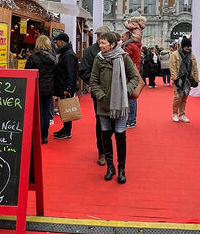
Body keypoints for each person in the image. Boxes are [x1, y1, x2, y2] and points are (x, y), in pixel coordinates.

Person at [90, 32, 139, 184]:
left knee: (120, 137)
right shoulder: (98, 59)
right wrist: (100, 95)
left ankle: (122, 169)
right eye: (100, 42)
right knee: (105, 137)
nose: (100, 45)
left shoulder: (124, 57)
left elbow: (135, 77)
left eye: (103, 42)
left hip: (119, 106)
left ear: (112, 44)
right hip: (104, 105)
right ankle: (110, 167)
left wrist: (127, 91)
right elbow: (93, 80)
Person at [79, 25, 111, 165]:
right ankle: (102, 151)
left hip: (115, 93)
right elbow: (84, 71)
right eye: (99, 36)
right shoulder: (90, 51)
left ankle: (108, 149)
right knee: (101, 122)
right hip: (98, 94)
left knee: (115, 122)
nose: (100, 39)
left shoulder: (116, 51)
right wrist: (94, 86)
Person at [25, 35, 57, 144]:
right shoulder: (53, 58)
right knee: (46, 112)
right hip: (49, 88)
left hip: (36, 87)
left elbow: (27, 73)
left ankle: (38, 135)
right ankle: (45, 136)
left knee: (38, 112)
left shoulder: (33, 58)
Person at [53, 33, 78, 140]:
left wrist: (68, 88)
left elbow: (71, 73)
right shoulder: (65, 53)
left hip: (65, 87)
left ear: (61, 41)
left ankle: (67, 130)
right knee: (64, 108)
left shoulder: (68, 55)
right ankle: (65, 128)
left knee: (66, 108)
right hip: (63, 86)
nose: (55, 43)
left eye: (56, 41)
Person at [169, 37, 199, 123]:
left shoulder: (192, 56)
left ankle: (182, 114)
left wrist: (196, 79)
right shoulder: (175, 54)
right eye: (187, 46)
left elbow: (195, 68)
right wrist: (175, 79)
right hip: (179, 79)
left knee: (184, 97)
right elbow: (172, 67)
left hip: (188, 79)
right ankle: (175, 113)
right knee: (178, 97)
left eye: (189, 46)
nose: (188, 48)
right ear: (183, 46)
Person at [121, 31, 142, 128]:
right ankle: (132, 119)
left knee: (130, 97)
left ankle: (130, 120)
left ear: (128, 36)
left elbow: (124, 58)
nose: (122, 38)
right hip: (135, 72)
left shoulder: (129, 46)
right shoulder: (136, 46)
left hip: (129, 74)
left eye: (123, 36)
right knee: (133, 97)